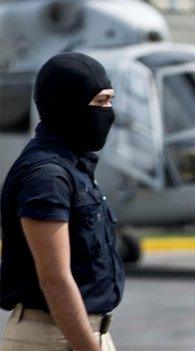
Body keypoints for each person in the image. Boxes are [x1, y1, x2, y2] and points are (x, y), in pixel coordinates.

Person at [0, 52, 124, 351]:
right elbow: (55, 280)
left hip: (79, 334)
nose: (109, 111)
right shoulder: (47, 176)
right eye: (101, 101)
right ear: (67, 106)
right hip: (55, 338)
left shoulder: (72, 167)